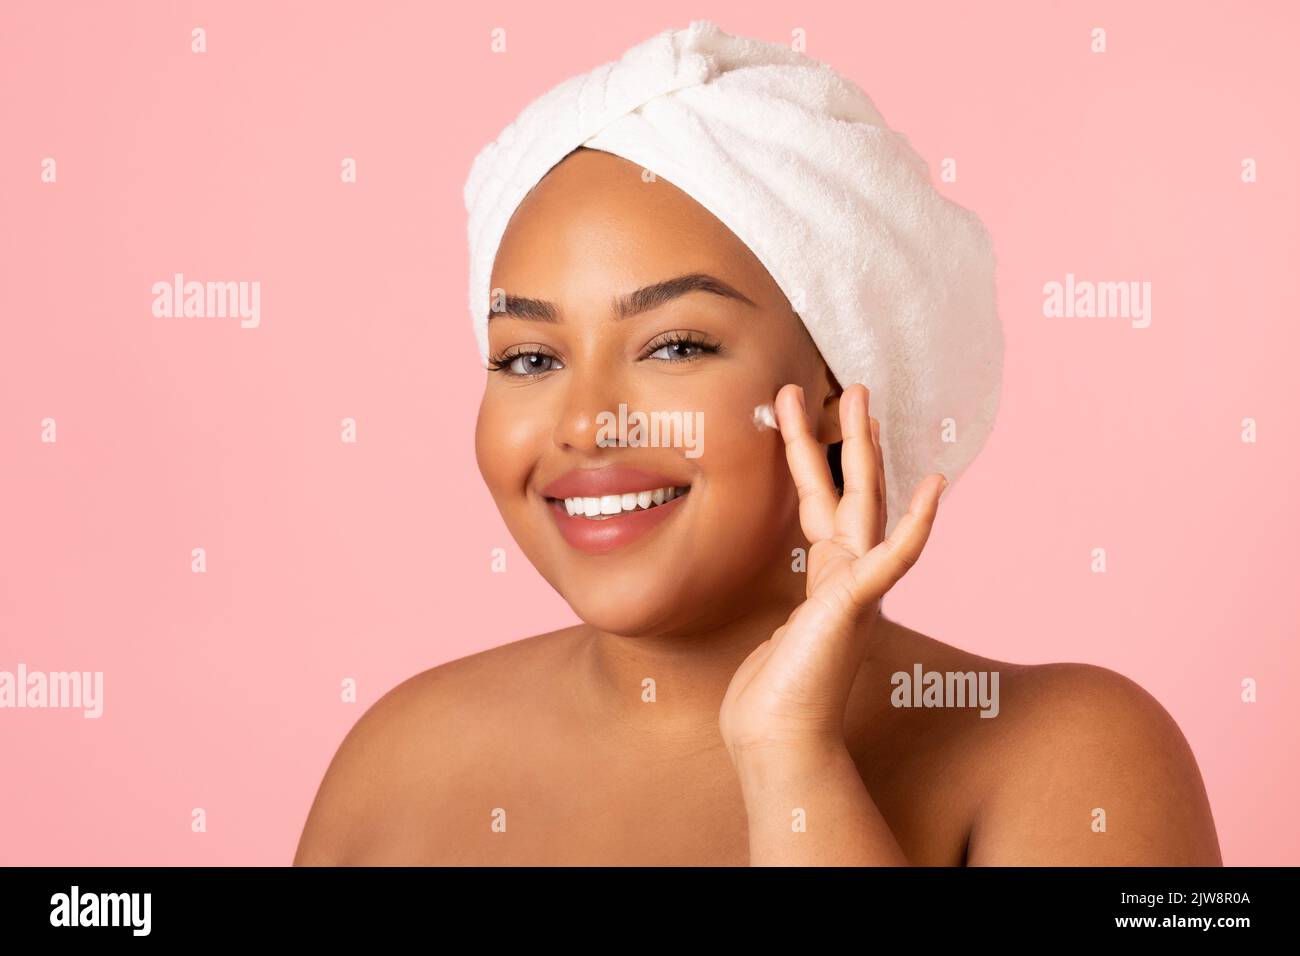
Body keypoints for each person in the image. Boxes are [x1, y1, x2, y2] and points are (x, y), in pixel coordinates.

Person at [294, 24, 1221, 866]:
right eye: (530, 357)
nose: (585, 424)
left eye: (677, 347)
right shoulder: (397, 762)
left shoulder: (1076, 754)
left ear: (835, 392)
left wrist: (792, 761)